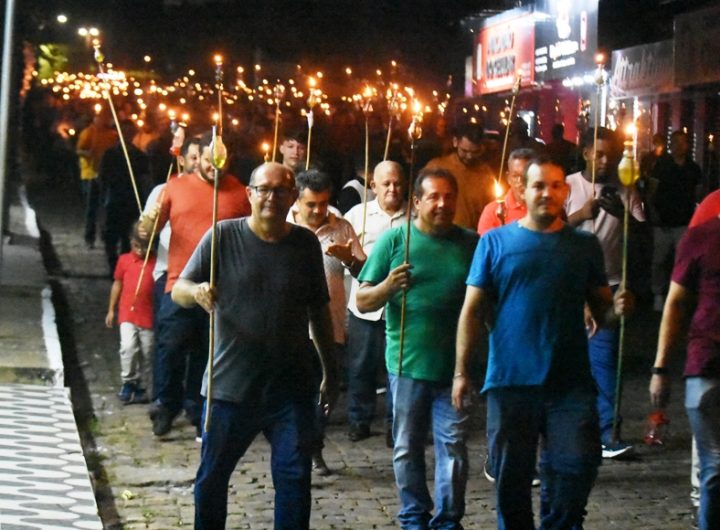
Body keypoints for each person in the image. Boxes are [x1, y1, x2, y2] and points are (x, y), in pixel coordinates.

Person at [453, 156, 634, 529]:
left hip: (570, 382)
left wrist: (619, 309)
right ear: (522, 190)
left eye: (555, 185)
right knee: (512, 480)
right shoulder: (496, 243)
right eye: (538, 185)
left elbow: (603, 313)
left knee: (576, 466)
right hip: (511, 381)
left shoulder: (583, 245)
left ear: (565, 192)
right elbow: (472, 311)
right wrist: (461, 372)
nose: (547, 193)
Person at [172, 162, 339, 530]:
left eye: (281, 190)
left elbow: (319, 311)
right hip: (230, 388)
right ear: (249, 194)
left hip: (291, 389)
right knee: (212, 477)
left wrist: (331, 371)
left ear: (293, 197)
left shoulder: (305, 244)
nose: (271, 197)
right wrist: (197, 291)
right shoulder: (222, 235)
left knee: (295, 479)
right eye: (263, 189)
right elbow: (178, 289)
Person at [357, 167, 478, 530]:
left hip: (456, 367)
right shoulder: (396, 240)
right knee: (407, 446)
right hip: (407, 364)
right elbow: (362, 300)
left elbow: (486, 301)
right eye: (433, 197)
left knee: (453, 446)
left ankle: (448, 520)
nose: (442, 204)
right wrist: (388, 286)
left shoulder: (471, 243)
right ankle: (413, 515)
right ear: (417, 201)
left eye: (449, 197)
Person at [140, 132, 250, 438]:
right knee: (170, 346)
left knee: (207, 351)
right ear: (197, 158)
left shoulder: (241, 193)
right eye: (208, 160)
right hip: (179, 282)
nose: (215, 166)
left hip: (221, 288)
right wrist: (148, 222)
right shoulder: (175, 187)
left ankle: (197, 406)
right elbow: (147, 234)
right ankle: (165, 404)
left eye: (220, 160)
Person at [565, 127, 645, 458]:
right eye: (597, 154)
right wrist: (580, 215)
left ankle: (609, 432)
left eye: (608, 155)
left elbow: (642, 234)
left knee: (605, 357)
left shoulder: (625, 188)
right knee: (568, 359)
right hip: (570, 284)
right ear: (585, 152)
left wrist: (621, 215)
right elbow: (550, 228)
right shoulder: (568, 185)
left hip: (608, 283)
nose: (603, 161)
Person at [288, 169, 366, 475]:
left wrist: (350, 259)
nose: (319, 210)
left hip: (330, 324)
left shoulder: (341, 227)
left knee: (326, 389)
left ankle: (314, 446)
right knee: (296, 393)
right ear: (297, 201)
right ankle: (298, 449)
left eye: (323, 203)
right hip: (291, 327)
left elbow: (364, 273)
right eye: (311, 204)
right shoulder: (284, 226)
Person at [649, 214, 720, 530]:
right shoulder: (702, 236)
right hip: (708, 363)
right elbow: (675, 302)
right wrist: (660, 367)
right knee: (715, 464)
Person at [344, 160, 409, 443]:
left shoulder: (414, 216)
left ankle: (396, 425)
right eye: (386, 184)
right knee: (361, 367)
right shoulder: (357, 215)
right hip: (366, 306)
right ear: (373, 186)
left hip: (402, 306)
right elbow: (346, 254)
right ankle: (359, 420)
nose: (392, 189)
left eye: (397, 183)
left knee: (398, 367)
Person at [649, 130, 703, 311]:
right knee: (659, 260)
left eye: (682, 142)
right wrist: (653, 212)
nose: (679, 146)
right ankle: (658, 293)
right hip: (663, 221)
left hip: (684, 222)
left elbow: (698, 195)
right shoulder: (661, 165)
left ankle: (679, 295)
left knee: (683, 262)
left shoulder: (693, 168)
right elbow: (652, 191)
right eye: (675, 142)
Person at [105, 223, 155, 405]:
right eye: (137, 246)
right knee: (128, 347)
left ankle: (145, 385)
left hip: (148, 316)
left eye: (145, 246)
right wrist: (111, 309)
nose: (140, 250)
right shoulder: (124, 260)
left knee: (148, 352)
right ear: (131, 242)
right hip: (128, 313)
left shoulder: (157, 263)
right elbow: (117, 284)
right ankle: (128, 381)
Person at [99, 120, 151, 275]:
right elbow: (103, 177)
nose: (127, 135)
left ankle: (124, 269)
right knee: (111, 237)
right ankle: (113, 266)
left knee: (128, 238)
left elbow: (145, 179)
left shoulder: (139, 155)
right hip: (114, 199)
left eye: (130, 132)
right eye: (124, 131)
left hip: (131, 201)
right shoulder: (110, 154)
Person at [424, 122, 495, 230]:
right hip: (437, 233)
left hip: (471, 236)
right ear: (455, 142)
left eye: (475, 152)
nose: (469, 156)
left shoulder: (486, 174)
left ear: (482, 147)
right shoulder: (436, 167)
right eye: (464, 151)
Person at [76, 110, 117, 249]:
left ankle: (105, 236)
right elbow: (79, 150)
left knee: (106, 207)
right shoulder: (88, 133)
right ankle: (89, 237)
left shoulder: (112, 135)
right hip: (91, 174)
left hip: (107, 175)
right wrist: (88, 153)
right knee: (91, 208)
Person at [476, 148, 534, 235]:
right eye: (515, 176)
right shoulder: (492, 211)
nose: (520, 181)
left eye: (525, 176)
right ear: (508, 178)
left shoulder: (545, 208)